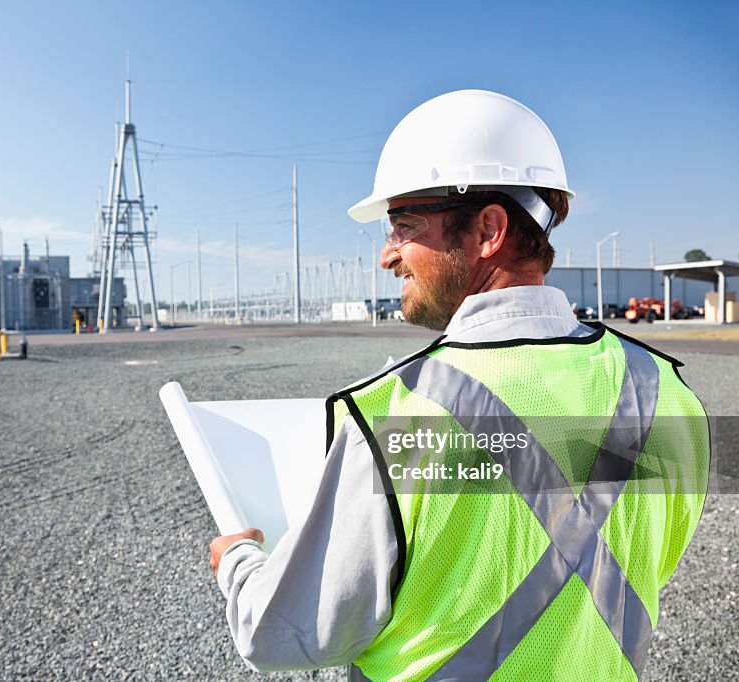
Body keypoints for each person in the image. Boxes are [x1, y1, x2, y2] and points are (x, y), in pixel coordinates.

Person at [208, 90, 709, 681]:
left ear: (488, 229)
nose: (387, 257)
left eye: (403, 227)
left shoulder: (400, 415)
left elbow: (283, 631)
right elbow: (644, 562)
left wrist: (237, 561)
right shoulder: (663, 393)